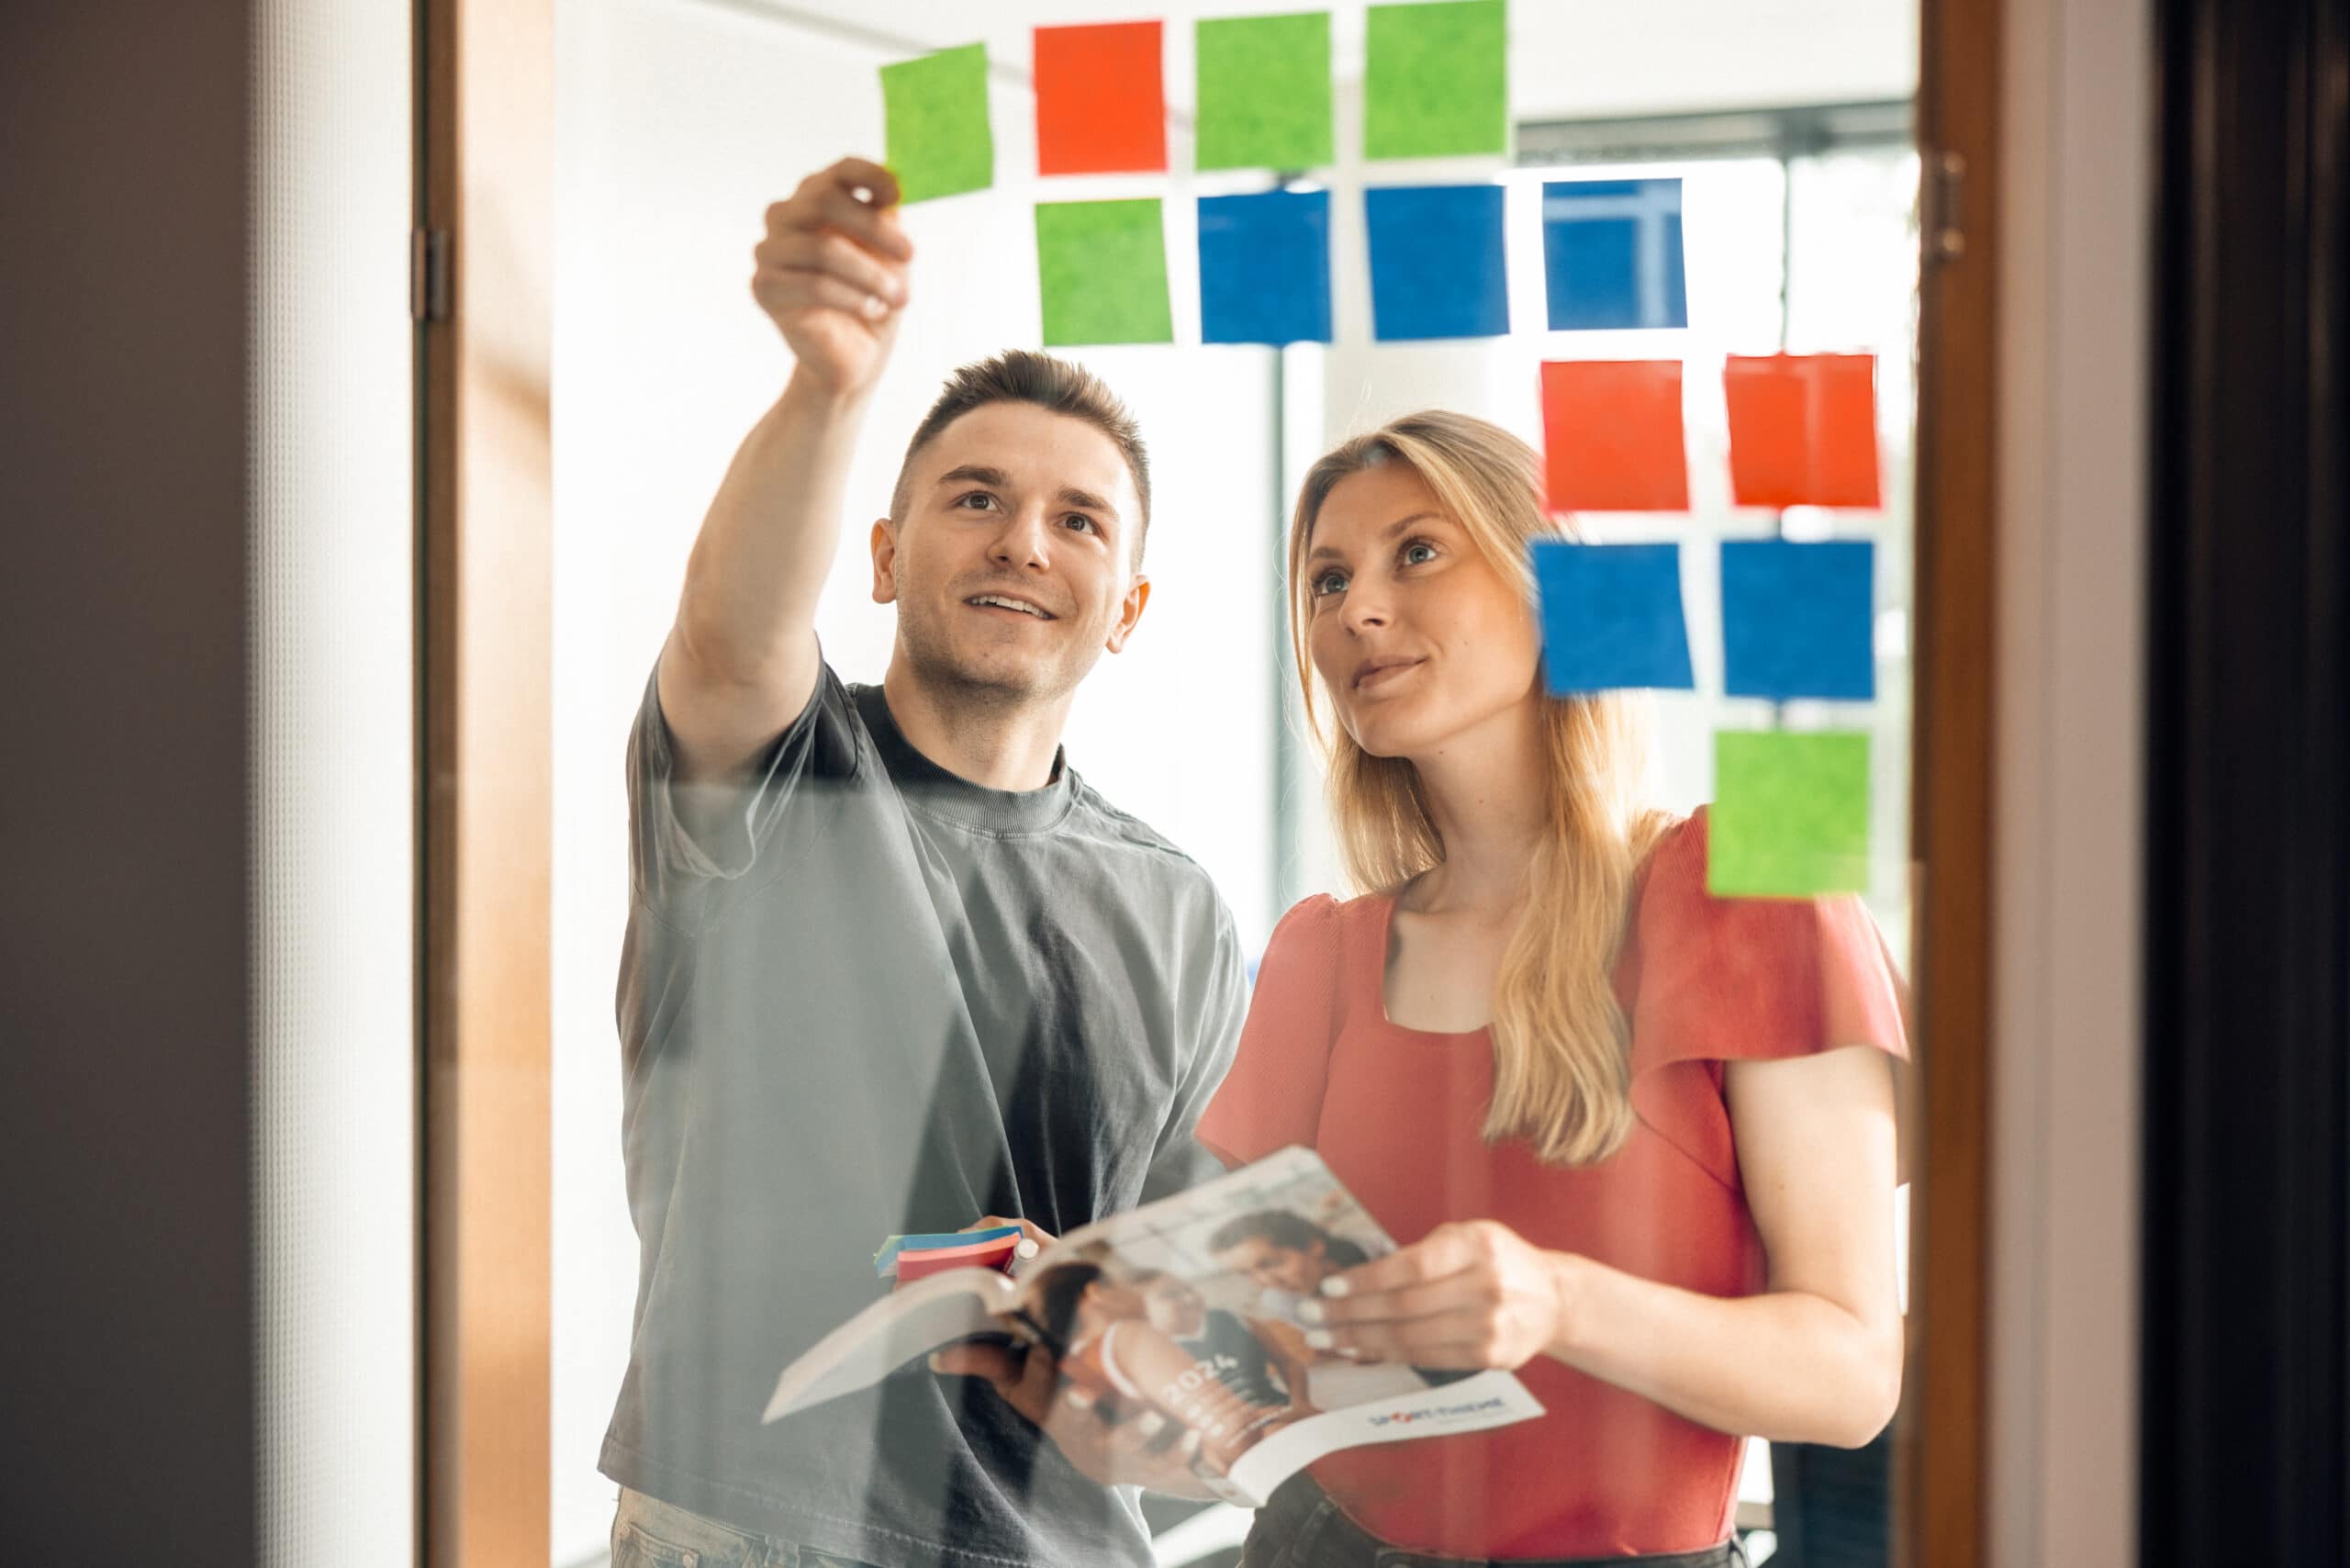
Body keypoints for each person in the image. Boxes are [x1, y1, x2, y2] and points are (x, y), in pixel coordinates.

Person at [965, 411, 1908, 1561]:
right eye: (1327, 580)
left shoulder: (1749, 895)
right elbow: (1273, 1397)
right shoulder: (1322, 955)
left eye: (1416, 552)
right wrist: (1107, 1387)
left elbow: (1852, 1374)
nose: (1356, 610)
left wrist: (1558, 1300)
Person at [600, 158, 1247, 1568]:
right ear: (887, 556)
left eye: (1079, 521)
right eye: (975, 498)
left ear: (1126, 608)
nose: (1024, 542)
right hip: (751, 1534)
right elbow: (730, 638)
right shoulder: (776, 782)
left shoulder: (1179, 910)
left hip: (1063, 1544)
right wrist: (829, 388)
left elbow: (1185, 1311)